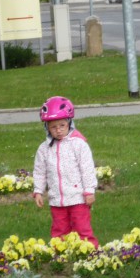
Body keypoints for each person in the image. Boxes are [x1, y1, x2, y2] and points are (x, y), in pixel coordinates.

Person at [33, 96, 99, 247]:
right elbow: (39, 171)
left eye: (62, 125)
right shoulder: (44, 149)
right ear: (47, 128)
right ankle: (61, 254)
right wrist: (38, 191)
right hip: (57, 199)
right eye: (53, 127)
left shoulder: (78, 145)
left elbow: (87, 168)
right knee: (59, 231)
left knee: (82, 229)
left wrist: (89, 191)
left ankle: (90, 253)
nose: (58, 130)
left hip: (78, 198)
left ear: (69, 123)